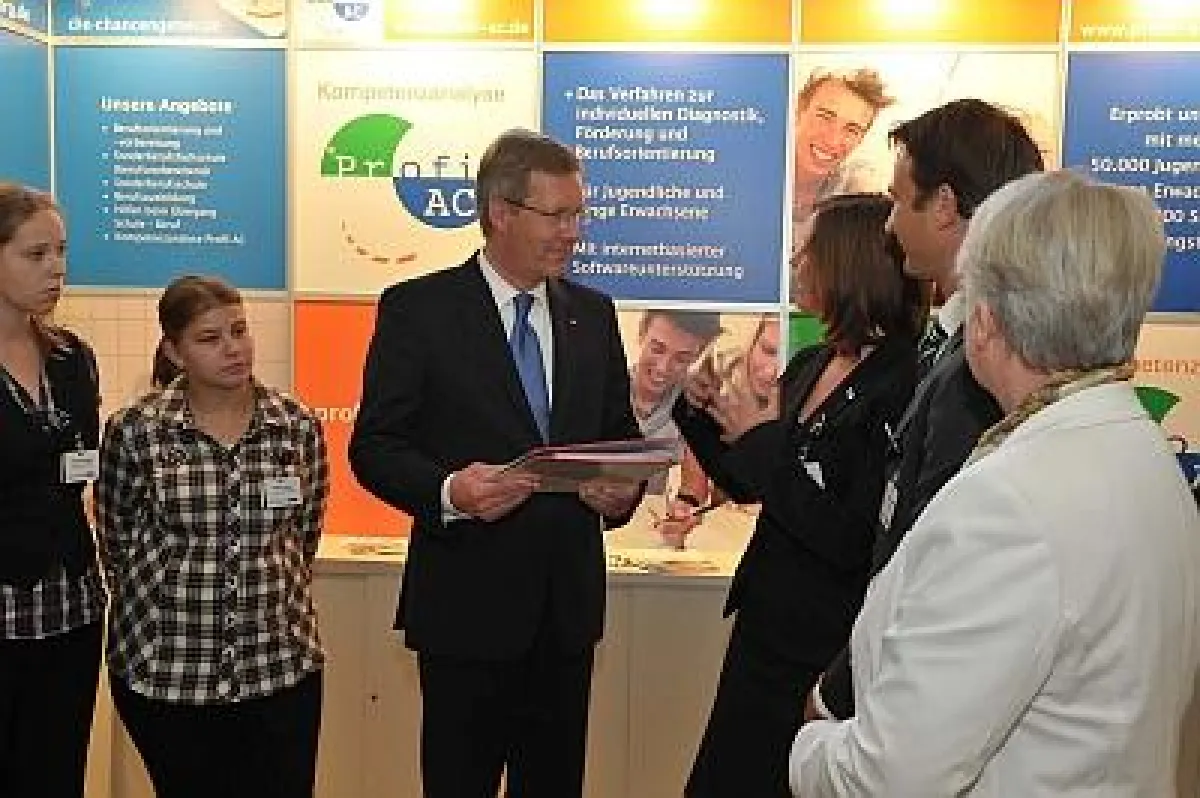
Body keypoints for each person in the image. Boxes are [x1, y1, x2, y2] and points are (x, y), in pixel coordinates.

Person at [791, 170, 1200, 797]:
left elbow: (889, 779)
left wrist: (810, 747)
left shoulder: (1011, 504)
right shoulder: (1137, 447)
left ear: (984, 321)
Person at [348, 128, 643, 798]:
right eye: (557, 215)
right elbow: (376, 446)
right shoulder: (419, 310)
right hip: (464, 612)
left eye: (578, 215)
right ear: (501, 212)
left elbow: (619, 440)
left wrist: (620, 491)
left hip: (565, 616)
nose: (573, 233)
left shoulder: (593, 315)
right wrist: (451, 491)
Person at [674, 193, 926, 797]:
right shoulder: (814, 361)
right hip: (763, 630)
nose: (795, 262)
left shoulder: (903, 381)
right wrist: (701, 414)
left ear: (848, 263)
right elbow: (751, 481)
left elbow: (852, 536)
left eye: (809, 250)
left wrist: (763, 443)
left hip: (823, 644)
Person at [807, 98, 1044, 723]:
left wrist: (840, 694)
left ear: (943, 206)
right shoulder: (950, 341)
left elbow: (932, 550)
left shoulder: (988, 362)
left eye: (897, 201)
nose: (888, 225)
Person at [95, 275, 329, 798]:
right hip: (169, 672)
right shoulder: (137, 430)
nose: (233, 349)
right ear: (174, 351)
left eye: (240, 331)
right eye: (210, 338)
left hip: (277, 667)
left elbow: (304, 533)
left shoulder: (295, 425)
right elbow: (117, 540)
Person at [0, 184, 104, 797]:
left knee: (57, 773)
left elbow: (81, 466)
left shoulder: (72, 358)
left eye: (61, 251)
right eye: (35, 254)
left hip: (70, 606)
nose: (56, 268)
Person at [659, 314, 782, 549]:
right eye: (767, 350)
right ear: (751, 345)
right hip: (726, 549)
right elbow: (694, 487)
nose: (771, 371)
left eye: (784, 356)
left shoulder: (814, 422)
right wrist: (684, 510)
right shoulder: (714, 403)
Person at [792, 68, 894, 248]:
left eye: (852, 130)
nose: (833, 140)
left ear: (861, 138)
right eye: (825, 117)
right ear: (799, 110)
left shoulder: (859, 189)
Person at [628, 308, 722, 496]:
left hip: (651, 513)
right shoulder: (604, 391)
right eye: (657, 349)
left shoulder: (693, 405)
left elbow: (694, 484)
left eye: (681, 359)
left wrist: (686, 503)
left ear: (697, 356)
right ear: (641, 334)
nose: (663, 368)